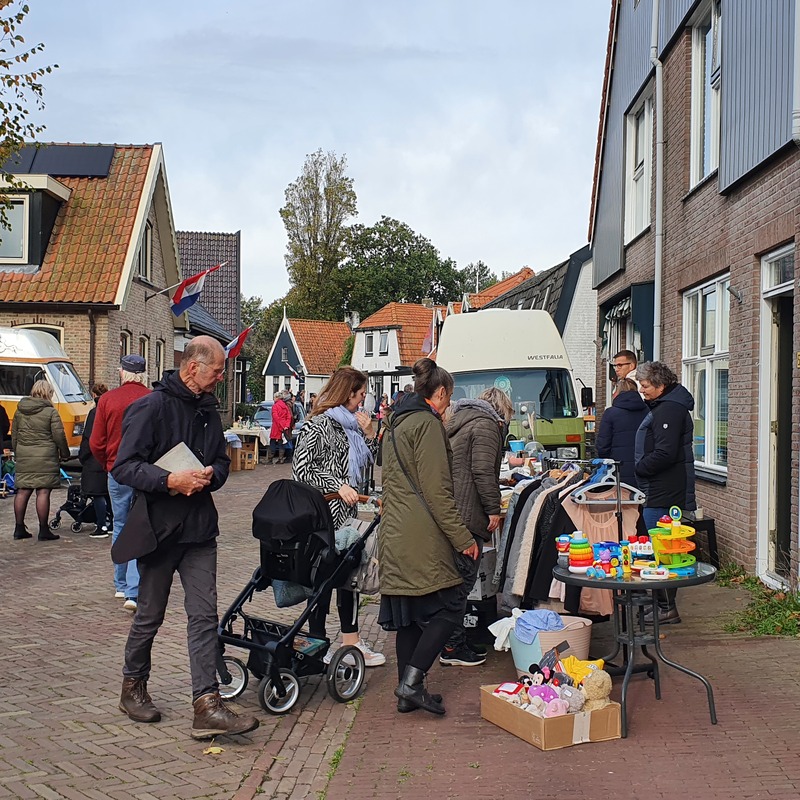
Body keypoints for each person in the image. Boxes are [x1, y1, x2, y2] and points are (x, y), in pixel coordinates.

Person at [112, 336, 259, 740]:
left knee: (204, 615)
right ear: (193, 367)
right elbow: (123, 466)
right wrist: (168, 479)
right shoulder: (150, 407)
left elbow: (219, 462)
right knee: (149, 614)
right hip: (159, 530)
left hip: (198, 530)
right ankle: (133, 686)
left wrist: (213, 474)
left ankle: (206, 704)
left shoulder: (209, 410)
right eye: (217, 369)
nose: (222, 377)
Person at [379, 357, 480, 715]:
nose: (449, 405)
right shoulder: (427, 425)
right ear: (438, 393)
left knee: (408, 613)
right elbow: (438, 492)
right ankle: (411, 682)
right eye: (448, 398)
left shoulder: (393, 424)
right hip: (422, 532)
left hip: (395, 532)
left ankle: (407, 691)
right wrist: (463, 539)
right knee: (450, 608)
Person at [291, 366, 384, 666]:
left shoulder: (352, 427)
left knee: (350, 577)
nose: (363, 402)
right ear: (346, 394)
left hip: (348, 514)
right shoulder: (316, 426)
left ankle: (352, 641)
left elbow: (369, 463)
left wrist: (370, 433)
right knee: (324, 578)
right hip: (323, 516)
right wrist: (336, 485)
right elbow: (301, 470)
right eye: (360, 395)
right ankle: (318, 644)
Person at [440, 386, 513, 667]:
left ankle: (451, 640)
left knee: (455, 579)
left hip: (454, 508)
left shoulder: (459, 421)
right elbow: (483, 471)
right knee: (462, 581)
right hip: (469, 512)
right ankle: (452, 645)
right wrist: (493, 509)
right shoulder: (486, 426)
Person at [634, 361, 696, 625]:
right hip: (664, 487)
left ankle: (666, 607)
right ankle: (662, 604)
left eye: (645, 386)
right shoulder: (667, 405)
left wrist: (641, 468)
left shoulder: (669, 409)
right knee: (662, 548)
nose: (642, 390)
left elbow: (665, 453)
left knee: (662, 549)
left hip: (663, 490)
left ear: (660, 385)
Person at [91, 355, 150, 610]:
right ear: (143, 374)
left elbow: (96, 442)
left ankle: (121, 583)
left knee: (121, 523)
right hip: (146, 471)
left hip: (117, 470)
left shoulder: (107, 400)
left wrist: (107, 463)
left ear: (123, 373)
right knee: (143, 525)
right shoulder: (152, 398)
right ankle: (134, 589)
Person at [11, 380, 69, 540]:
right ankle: (43, 530)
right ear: (48, 393)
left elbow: (14, 435)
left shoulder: (19, 411)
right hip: (45, 456)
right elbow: (59, 435)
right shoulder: (50, 412)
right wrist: (65, 453)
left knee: (23, 490)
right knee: (43, 491)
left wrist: (18, 452)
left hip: (24, 455)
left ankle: (19, 528)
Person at [595, 377, 648, 488]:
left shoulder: (610, 413)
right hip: (644, 467)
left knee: (621, 501)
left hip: (618, 468)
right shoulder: (648, 411)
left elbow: (602, 445)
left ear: (617, 392)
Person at [79, 383, 112, 539]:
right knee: (107, 493)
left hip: (95, 458)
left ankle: (101, 525)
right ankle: (110, 522)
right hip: (110, 455)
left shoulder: (94, 413)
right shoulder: (111, 409)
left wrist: (83, 455)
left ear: (93, 395)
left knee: (97, 493)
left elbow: (89, 437)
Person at [268, 390, 294, 464]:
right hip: (284, 427)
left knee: (272, 442)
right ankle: (281, 459)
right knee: (281, 443)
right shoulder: (285, 406)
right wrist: (286, 426)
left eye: (274, 397)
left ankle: (270, 459)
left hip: (276, 426)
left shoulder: (275, 406)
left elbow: (275, 417)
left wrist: (281, 425)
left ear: (277, 398)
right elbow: (289, 417)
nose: (273, 399)